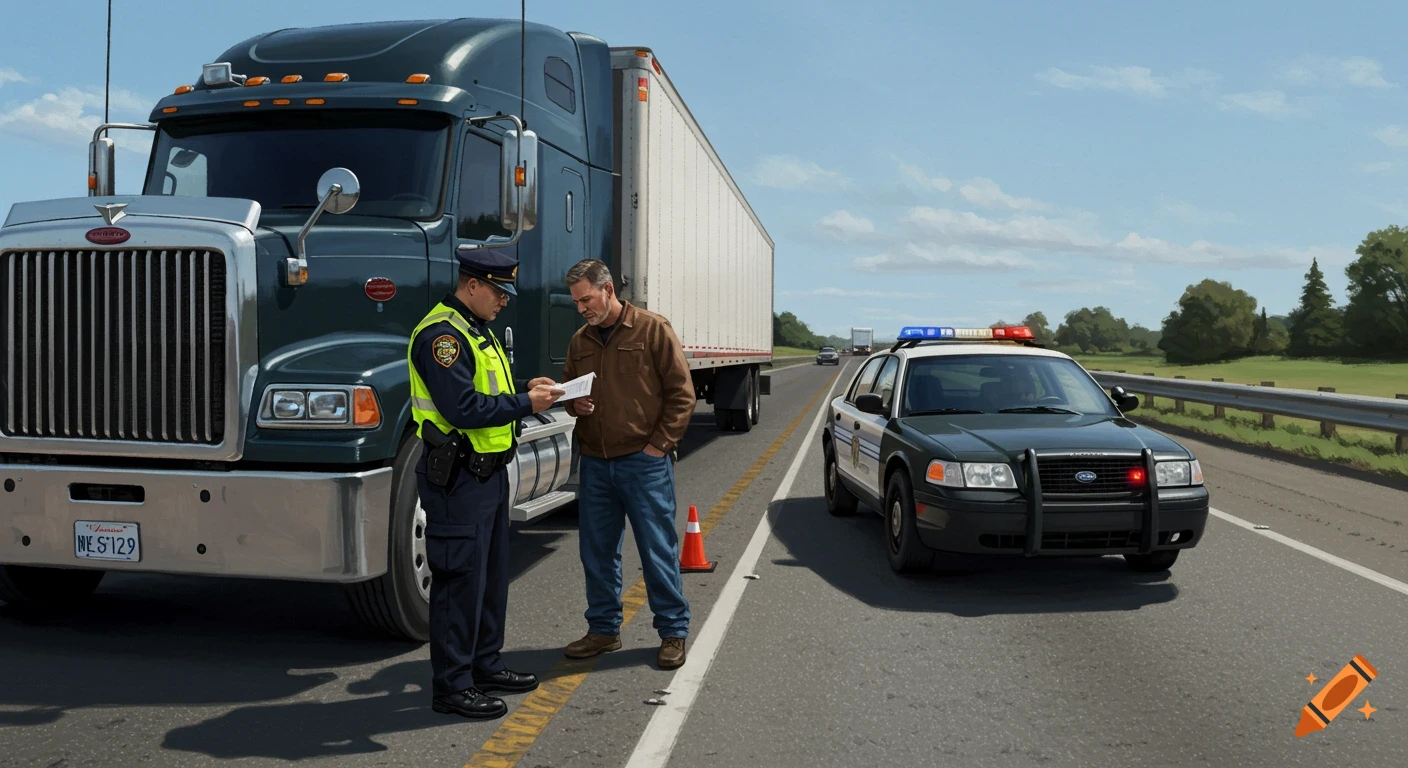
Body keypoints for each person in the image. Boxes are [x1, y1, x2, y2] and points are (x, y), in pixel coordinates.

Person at [408, 248, 564, 720]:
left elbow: (488, 390)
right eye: (498, 291)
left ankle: (484, 664)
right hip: (458, 480)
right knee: (459, 583)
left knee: (490, 579)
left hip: (489, 476)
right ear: (471, 285)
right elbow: (462, 408)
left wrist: (523, 389)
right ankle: (453, 687)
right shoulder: (443, 337)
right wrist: (527, 406)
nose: (504, 301)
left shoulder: (477, 330)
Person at [558, 258, 697, 670]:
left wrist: (659, 445)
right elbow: (569, 391)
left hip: (643, 463)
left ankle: (673, 631)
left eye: (587, 299)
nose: (582, 309)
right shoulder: (580, 341)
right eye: (577, 303)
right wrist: (572, 403)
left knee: (657, 550)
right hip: (597, 466)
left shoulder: (653, 329)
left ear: (608, 290)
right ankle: (603, 630)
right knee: (597, 554)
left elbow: (681, 394)